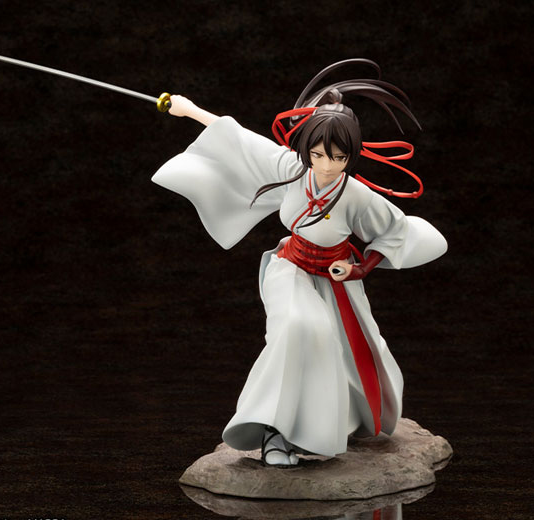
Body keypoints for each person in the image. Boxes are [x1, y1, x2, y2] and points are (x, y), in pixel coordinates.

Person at [152, 59, 446, 467]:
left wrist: (360, 269)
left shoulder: (357, 196)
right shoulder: (291, 168)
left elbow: (395, 231)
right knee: (299, 328)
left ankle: (324, 428)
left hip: (335, 279)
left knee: (342, 351)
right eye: (318, 154)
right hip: (289, 267)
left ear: (351, 156)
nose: (325, 166)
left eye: (337, 157)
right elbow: (236, 139)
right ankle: (272, 433)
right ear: (306, 149)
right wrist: (189, 110)